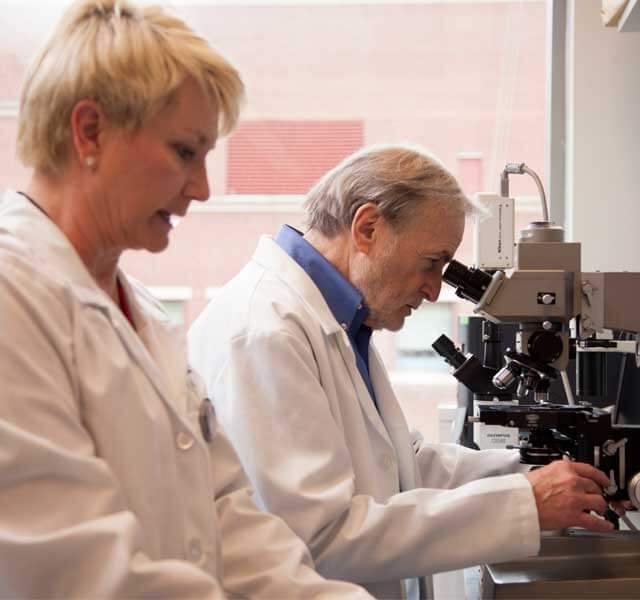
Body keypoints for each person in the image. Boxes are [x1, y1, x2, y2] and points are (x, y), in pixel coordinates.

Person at [0, 1, 376, 598]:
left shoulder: (143, 313)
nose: (201, 189)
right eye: (184, 152)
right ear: (89, 131)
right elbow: (74, 570)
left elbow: (225, 515)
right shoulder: (12, 299)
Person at [188, 144, 615, 599]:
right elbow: (319, 537)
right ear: (368, 227)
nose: (433, 291)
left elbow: (398, 464)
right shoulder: (265, 331)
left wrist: (548, 471)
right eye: (432, 263)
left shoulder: (341, 321)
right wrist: (524, 504)